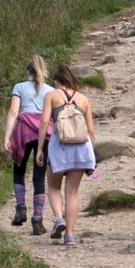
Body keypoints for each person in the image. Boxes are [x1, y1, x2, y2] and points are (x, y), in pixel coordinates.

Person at [39, 63, 96, 248]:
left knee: (54, 187)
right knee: (72, 192)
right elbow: (91, 129)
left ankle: (58, 218)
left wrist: (40, 148)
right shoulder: (84, 99)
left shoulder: (52, 96)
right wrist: (91, 154)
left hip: (59, 148)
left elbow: (45, 121)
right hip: (81, 149)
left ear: (57, 81)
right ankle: (70, 235)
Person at [4, 56, 50, 232]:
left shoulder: (19, 87)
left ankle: (21, 208)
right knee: (39, 176)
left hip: (24, 131)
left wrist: (7, 137)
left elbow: (14, 112)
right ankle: (37, 220)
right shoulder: (50, 90)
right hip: (43, 133)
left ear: (27, 71)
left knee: (19, 170)